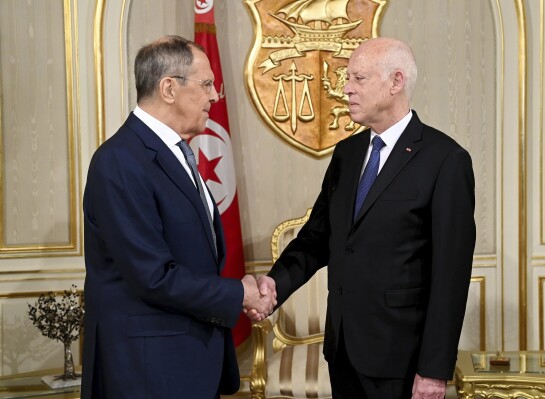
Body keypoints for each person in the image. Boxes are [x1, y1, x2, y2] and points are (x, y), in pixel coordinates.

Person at [253, 37, 476, 398]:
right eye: (348, 78)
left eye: (359, 79)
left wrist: (434, 370)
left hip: (400, 358)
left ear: (396, 81)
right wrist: (274, 286)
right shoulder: (347, 153)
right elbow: (317, 238)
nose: (347, 89)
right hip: (342, 351)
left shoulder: (445, 160)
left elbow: (451, 275)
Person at [82, 35, 274, 399]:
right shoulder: (120, 162)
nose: (214, 96)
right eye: (205, 84)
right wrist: (239, 293)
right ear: (168, 88)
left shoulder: (174, 153)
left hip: (187, 364)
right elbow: (152, 277)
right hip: (148, 372)